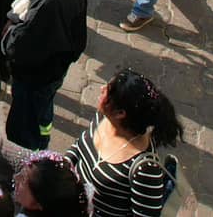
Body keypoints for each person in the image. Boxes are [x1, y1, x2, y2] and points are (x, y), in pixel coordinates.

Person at [2, 0, 89, 150]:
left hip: (37, 74)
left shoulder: (50, 1)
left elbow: (18, 44)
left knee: (24, 125)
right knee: (42, 112)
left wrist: (10, 30)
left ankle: (28, 160)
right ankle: (40, 143)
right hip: (54, 67)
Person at [70, 69, 184, 216]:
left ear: (120, 113)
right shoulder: (103, 118)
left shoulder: (145, 169)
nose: (101, 89)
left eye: (107, 91)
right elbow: (79, 147)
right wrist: (62, 164)